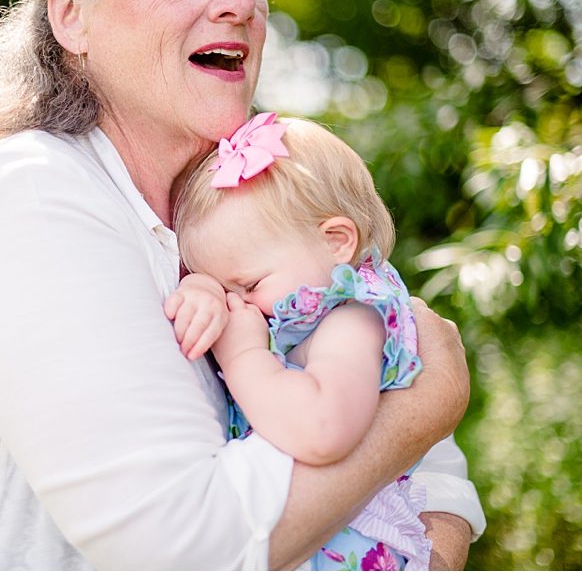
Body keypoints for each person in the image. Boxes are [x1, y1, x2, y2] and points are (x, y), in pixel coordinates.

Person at [0, 0, 483, 570]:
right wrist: (423, 411)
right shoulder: (27, 191)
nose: (240, 4)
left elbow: (431, 477)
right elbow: (183, 548)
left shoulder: (255, 211)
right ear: (72, 14)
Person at [168, 114, 435, 570]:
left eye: (249, 286)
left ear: (336, 241)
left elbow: (322, 429)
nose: (239, 307)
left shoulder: (354, 319)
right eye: (224, 286)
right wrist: (203, 291)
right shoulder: (295, 306)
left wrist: (244, 354)